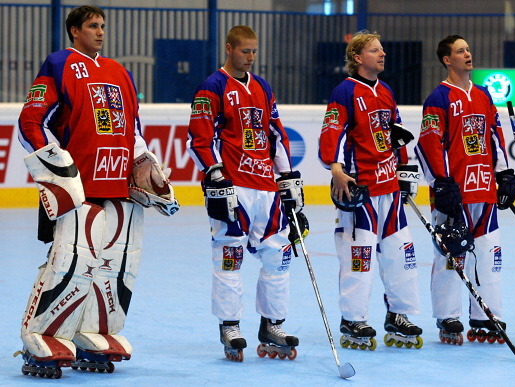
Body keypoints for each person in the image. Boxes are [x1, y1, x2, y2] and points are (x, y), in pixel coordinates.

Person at [17, 5, 178, 378]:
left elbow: (133, 130)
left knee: (117, 264)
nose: (100, 31)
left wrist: (146, 164)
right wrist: (57, 170)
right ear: (75, 30)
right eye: (92, 26)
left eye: (103, 25)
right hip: (80, 185)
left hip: (117, 183)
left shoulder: (120, 71)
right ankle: (42, 334)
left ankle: (95, 330)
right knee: (72, 261)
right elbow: (30, 122)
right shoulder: (58, 64)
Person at [186, 25, 304, 362]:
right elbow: (199, 138)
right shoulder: (212, 86)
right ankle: (230, 326)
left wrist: (288, 177)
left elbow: (276, 135)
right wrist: (215, 174)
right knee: (229, 254)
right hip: (233, 187)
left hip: (267, 188)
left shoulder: (263, 87)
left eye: (254, 51)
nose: (250, 57)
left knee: (278, 254)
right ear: (229, 49)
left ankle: (272, 324)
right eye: (244, 51)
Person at [318, 30, 423, 351]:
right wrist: (335, 168)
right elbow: (331, 131)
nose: (383, 54)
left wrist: (404, 170)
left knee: (400, 254)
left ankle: (399, 313)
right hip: (359, 190)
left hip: (389, 189)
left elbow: (397, 133)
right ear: (357, 58)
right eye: (375, 50)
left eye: (382, 50)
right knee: (359, 255)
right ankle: (353, 318)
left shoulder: (387, 92)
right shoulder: (344, 91)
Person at [415, 35, 515, 345]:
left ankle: (486, 315)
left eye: (468, 49)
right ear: (448, 60)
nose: (468, 54)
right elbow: (429, 143)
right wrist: (441, 183)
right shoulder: (439, 97)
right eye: (461, 51)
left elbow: (495, 136)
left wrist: (504, 173)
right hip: (454, 193)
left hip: (483, 188)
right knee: (450, 254)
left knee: (488, 254)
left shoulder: (484, 96)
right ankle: (448, 316)